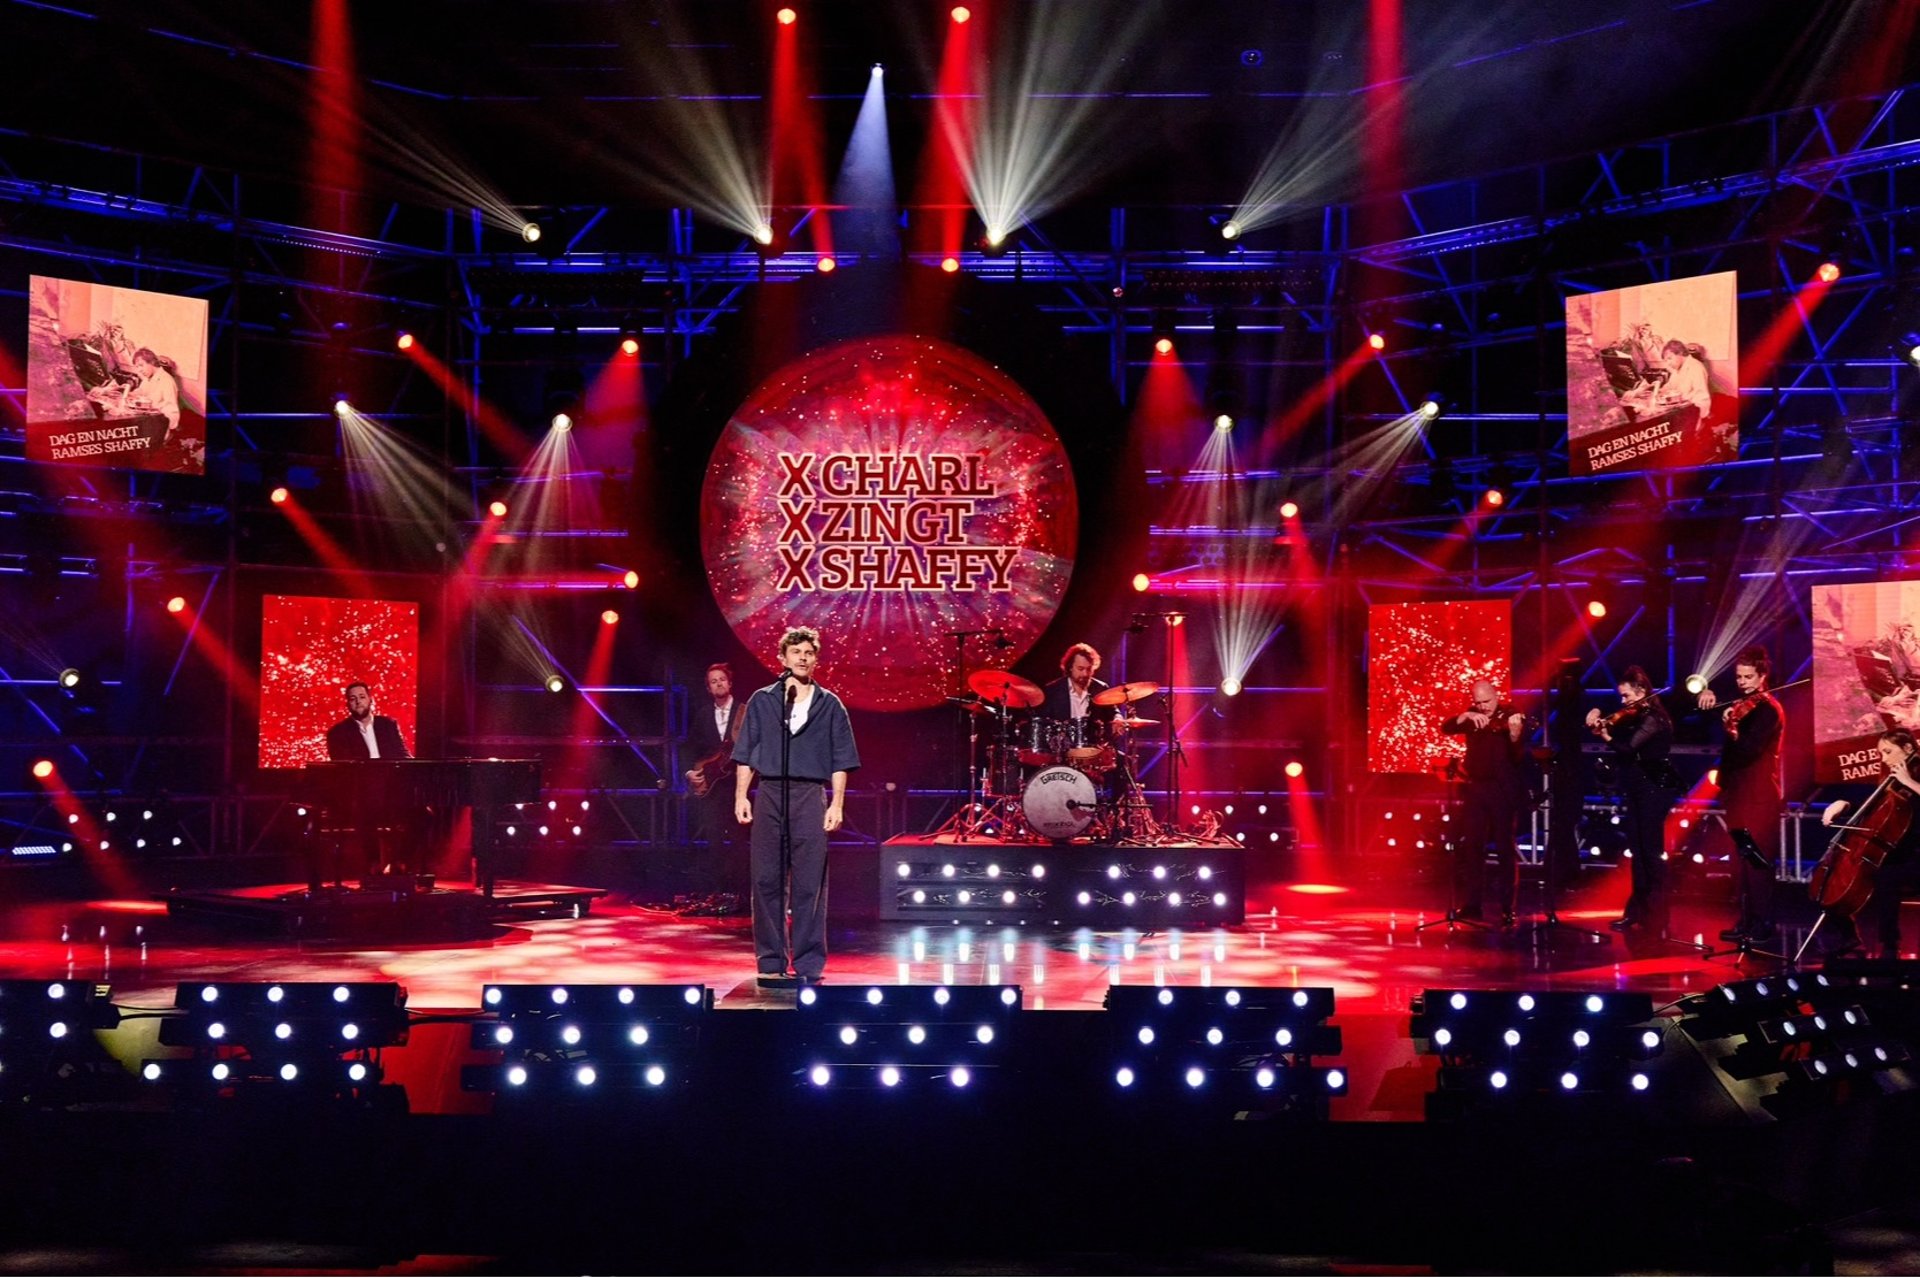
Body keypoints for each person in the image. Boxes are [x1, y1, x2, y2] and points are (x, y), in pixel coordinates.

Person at [732, 627, 860, 988]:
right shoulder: (763, 700)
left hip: (809, 795)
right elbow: (746, 754)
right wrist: (741, 795)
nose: (803, 658)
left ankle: (808, 962)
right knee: (766, 879)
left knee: (809, 882)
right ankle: (771, 960)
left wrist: (836, 803)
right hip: (770, 792)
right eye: (796, 652)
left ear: (815, 659)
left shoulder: (830, 704)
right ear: (783, 658)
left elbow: (841, 760)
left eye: (809, 653)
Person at [1697, 646, 1784, 944]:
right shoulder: (1741, 705)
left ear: (1762, 677)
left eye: (1748, 677)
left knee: (1758, 863)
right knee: (1742, 862)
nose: (1743, 682)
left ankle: (1763, 924)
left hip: (1759, 797)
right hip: (1739, 795)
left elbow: (1749, 749)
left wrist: (1732, 728)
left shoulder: (1768, 710)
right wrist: (1708, 697)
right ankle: (1746, 920)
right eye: (1739, 677)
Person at [1587, 665, 1676, 935]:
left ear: (1641, 691)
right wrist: (1597, 713)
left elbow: (1628, 747)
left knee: (1651, 852)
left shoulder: (1654, 719)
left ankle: (1658, 915)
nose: (1623, 701)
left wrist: (1605, 735)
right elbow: (1614, 719)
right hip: (1637, 787)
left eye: (1626, 695)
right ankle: (1637, 912)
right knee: (1637, 851)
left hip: (1653, 788)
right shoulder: (1635, 715)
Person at [1818, 729, 1920, 960]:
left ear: (1907, 748)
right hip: (1896, 852)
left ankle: (1890, 945)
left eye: (1888, 752)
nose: (1883, 758)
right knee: (1834, 874)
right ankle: (1846, 934)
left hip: (1915, 854)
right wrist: (1844, 804)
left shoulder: (1909, 775)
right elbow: (1874, 811)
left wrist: (1909, 782)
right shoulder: (1892, 778)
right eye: (1881, 753)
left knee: (1886, 876)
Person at [1441, 680, 1531, 925]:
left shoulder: (1511, 713)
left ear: (1496, 696)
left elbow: (1518, 755)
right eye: (1478, 702)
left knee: (1504, 848)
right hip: (1476, 788)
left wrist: (1514, 735)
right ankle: (1472, 904)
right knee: (1473, 847)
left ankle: (1507, 907)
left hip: (1502, 791)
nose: (1483, 707)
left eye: (1486, 702)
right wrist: (1465, 716)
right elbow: (1446, 727)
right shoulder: (1473, 714)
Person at [683, 663, 746, 889]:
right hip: (711, 787)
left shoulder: (744, 712)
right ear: (709, 688)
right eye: (713, 681)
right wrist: (690, 772)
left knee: (739, 840)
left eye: (722, 679)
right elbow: (689, 747)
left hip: (738, 785)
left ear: (730, 683)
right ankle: (718, 890)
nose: (718, 683)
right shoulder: (703, 714)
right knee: (713, 839)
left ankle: (741, 889)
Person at [325, 682, 412, 761]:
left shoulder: (388, 725)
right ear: (347, 704)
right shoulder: (337, 733)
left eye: (362, 697)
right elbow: (342, 767)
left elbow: (403, 755)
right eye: (352, 699)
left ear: (370, 700)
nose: (358, 701)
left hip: (389, 772)